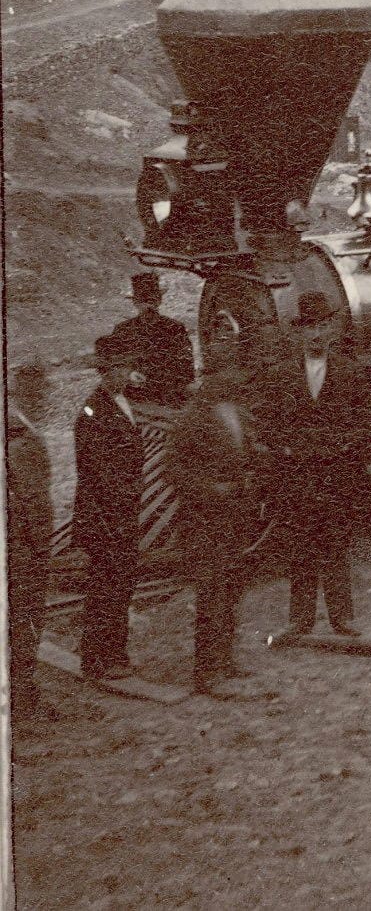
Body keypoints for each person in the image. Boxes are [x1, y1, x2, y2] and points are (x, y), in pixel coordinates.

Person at [256, 293, 371, 644]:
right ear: (298, 332)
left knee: (336, 546)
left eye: (321, 326)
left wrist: (342, 445)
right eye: (308, 327)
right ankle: (300, 621)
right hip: (297, 476)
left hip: (336, 475)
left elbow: (369, 422)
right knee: (300, 548)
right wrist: (287, 446)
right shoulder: (281, 374)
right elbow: (265, 422)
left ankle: (342, 619)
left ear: (331, 329)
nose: (315, 334)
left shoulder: (350, 372)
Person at [166, 349, 265, 696]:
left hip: (235, 519)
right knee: (211, 595)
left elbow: (247, 452)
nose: (235, 379)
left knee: (232, 590)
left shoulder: (235, 411)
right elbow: (175, 470)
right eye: (227, 373)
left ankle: (225, 661)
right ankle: (207, 672)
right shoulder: (191, 419)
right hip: (205, 523)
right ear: (210, 378)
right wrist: (213, 489)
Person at [73, 334, 145, 682]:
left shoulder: (121, 402)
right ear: (105, 371)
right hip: (104, 516)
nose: (126, 372)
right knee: (105, 588)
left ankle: (114, 654)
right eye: (119, 367)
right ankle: (97, 660)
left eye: (127, 365)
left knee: (120, 585)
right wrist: (124, 499)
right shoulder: (94, 410)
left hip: (121, 513)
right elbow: (98, 471)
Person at [7, 363, 55, 721]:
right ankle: (23, 700)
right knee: (24, 624)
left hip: (31, 546)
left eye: (43, 392)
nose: (41, 399)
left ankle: (26, 694)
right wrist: (34, 548)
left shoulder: (26, 430)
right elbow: (24, 501)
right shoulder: (17, 436)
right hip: (24, 550)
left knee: (28, 623)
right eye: (35, 393)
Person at [110, 272, 196, 408]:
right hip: (134, 399)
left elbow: (187, 367)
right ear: (136, 303)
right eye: (143, 301)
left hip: (170, 400)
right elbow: (111, 365)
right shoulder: (122, 331)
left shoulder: (175, 328)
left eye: (151, 300)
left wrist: (171, 383)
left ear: (159, 301)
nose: (148, 306)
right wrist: (129, 374)